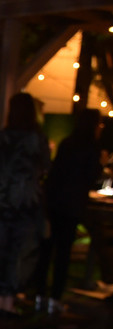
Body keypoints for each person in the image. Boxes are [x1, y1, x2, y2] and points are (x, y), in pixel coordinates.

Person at [0, 92, 50, 316]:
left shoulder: (3, 136)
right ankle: (9, 301)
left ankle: (0, 299)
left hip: (1, 197)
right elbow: (45, 166)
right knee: (19, 250)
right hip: (25, 198)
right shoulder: (36, 138)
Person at [34, 108, 102, 314]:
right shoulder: (91, 147)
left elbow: (56, 172)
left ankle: (40, 294)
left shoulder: (68, 143)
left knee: (47, 251)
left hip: (55, 202)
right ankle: (54, 297)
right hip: (71, 206)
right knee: (62, 254)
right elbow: (91, 176)